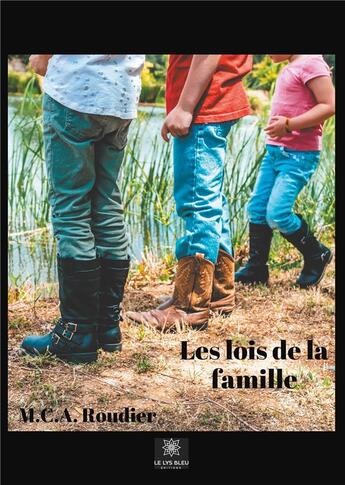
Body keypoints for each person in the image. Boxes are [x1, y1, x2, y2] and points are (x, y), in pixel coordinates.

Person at [20, 54, 145, 363]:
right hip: (121, 96)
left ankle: (77, 331)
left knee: (71, 208)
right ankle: (106, 326)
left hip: (76, 91)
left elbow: (40, 62)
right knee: (107, 205)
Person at [126, 54, 252, 332]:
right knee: (211, 199)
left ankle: (188, 306)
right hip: (209, 101)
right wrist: (179, 106)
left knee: (197, 201)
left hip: (203, 105)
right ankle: (218, 293)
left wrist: (184, 106)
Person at [235, 54, 335, 288]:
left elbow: (330, 105)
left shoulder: (311, 62)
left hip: (298, 156)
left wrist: (289, 124)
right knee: (257, 209)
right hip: (275, 153)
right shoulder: (292, 65)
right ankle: (256, 268)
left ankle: (316, 254)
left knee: (277, 213)